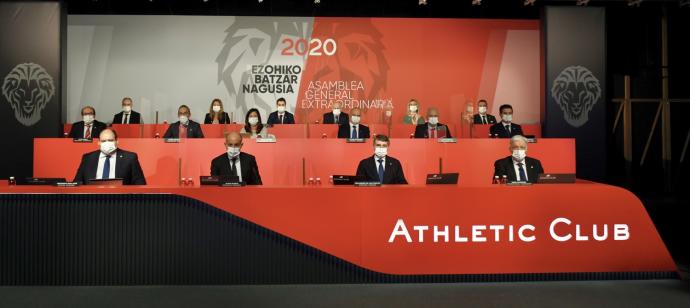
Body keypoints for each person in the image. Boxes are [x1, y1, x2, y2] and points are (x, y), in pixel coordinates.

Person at [73, 128, 146, 185]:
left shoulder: (130, 158)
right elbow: (77, 183)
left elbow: (140, 184)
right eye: (103, 141)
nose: (107, 143)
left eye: (110, 140)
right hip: (93, 199)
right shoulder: (88, 158)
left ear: (117, 141)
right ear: (98, 142)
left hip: (120, 200)